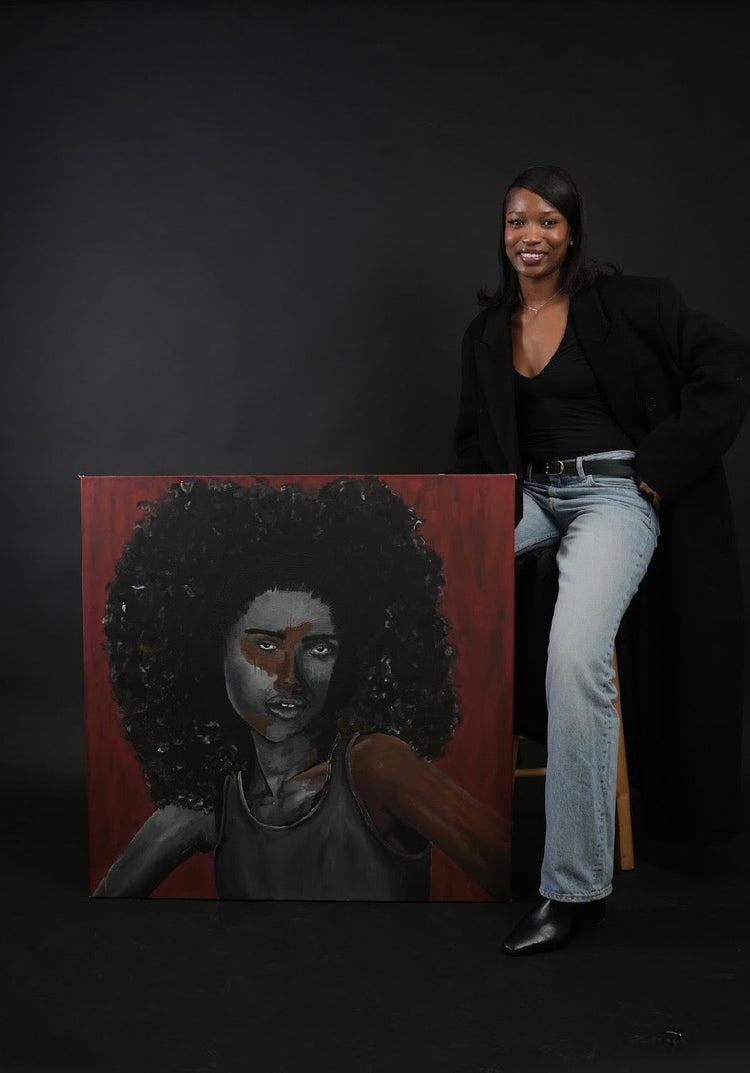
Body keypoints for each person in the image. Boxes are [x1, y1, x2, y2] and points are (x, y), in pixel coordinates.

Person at [454, 164, 750, 955]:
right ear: (503, 233)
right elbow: (472, 443)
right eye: (518, 220)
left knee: (577, 655)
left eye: (548, 221)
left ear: (571, 233)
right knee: (426, 585)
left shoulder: (633, 302)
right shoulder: (486, 333)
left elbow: (729, 364)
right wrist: (469, 519)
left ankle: (575, 890)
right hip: (528, 495)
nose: (531, 235)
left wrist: (662, 465)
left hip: (615, 495)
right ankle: (413, 825)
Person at [93, 475, 508, 900]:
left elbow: (517, 870)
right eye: (266, 645)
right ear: (208, 654)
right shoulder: (215, 801)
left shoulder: (377, 768)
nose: (290, 677)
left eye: (320, 648)